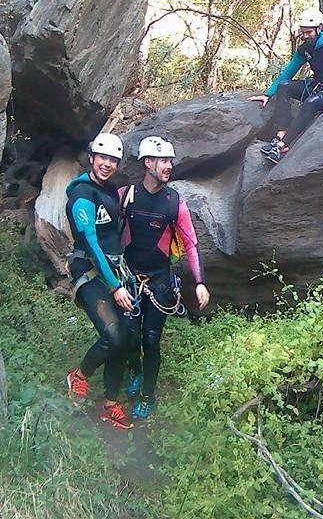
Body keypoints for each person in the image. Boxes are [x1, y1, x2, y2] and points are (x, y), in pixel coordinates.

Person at [120, 136, 210, 420]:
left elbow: (191, 243)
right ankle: (134, 369)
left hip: (159, 281)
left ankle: (148, 395)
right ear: (148, 163)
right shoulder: (125, 195)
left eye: (171, 161)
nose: (169, 166)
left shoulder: (174, 202)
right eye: (163, 161)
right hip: (129, 278)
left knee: (151, 339)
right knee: (131, 336)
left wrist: (200, 281)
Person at [64, 133, 135, 430]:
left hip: (115, 270)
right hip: (90, 271)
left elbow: (113, 235)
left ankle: (110, 403)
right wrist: (115, 286)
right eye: (103, 158)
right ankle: (79, 376)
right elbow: (91, 242)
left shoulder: (110, 191)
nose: (107, 164)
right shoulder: (83, 194)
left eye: (113, 161)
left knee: (126, 339)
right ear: (92, 158)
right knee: (114, 335)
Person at [249, 10, 323, 163]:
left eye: (308, 32)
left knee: (311, 103)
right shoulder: (305, 48)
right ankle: (279, 136)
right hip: (317, 84)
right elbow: (288, 72)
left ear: (319, 27)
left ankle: (283, 146)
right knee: (283, 87)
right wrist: (268, 94)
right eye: (303, 32)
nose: (305, 36)